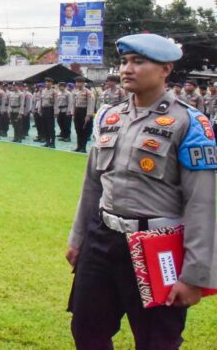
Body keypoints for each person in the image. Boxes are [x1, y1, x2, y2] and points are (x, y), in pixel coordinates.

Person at [66, 33, 217, 350]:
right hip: (103, 238)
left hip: (157, 246)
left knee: (156, 340)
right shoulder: (110, 116)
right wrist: (78, 239)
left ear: (165, 69)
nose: (127, 69)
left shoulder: (189, 123)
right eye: (123, 62)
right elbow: (93, 184)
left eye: (138, 61)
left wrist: (194, 275)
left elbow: (201, 203)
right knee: (86, 328)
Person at [71, 77, 94, 153]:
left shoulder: (88, 92)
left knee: (84, 130)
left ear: (83, 83)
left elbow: (90, 104)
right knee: (78, 129)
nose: (77, 84)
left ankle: (83, 147)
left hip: (84, 111)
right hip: (77, 111)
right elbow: (73, 103)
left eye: (79, 82)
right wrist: (73, 114)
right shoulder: (75, 92)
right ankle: (79, 146)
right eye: (76, 82)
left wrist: (88, 115)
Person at [39, 78, 58, 148]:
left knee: (51, 127)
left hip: (50, 110)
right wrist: (40, 110)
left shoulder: (54, 92)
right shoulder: (43, 91)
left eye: (48, 82)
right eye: (46, 82)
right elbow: (41, 101)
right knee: (45, 126)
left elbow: (56, 102)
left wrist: (56, 112)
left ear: (51, 83)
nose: (46, 83)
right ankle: (47, 142)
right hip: (44, 109)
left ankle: (52, 143)